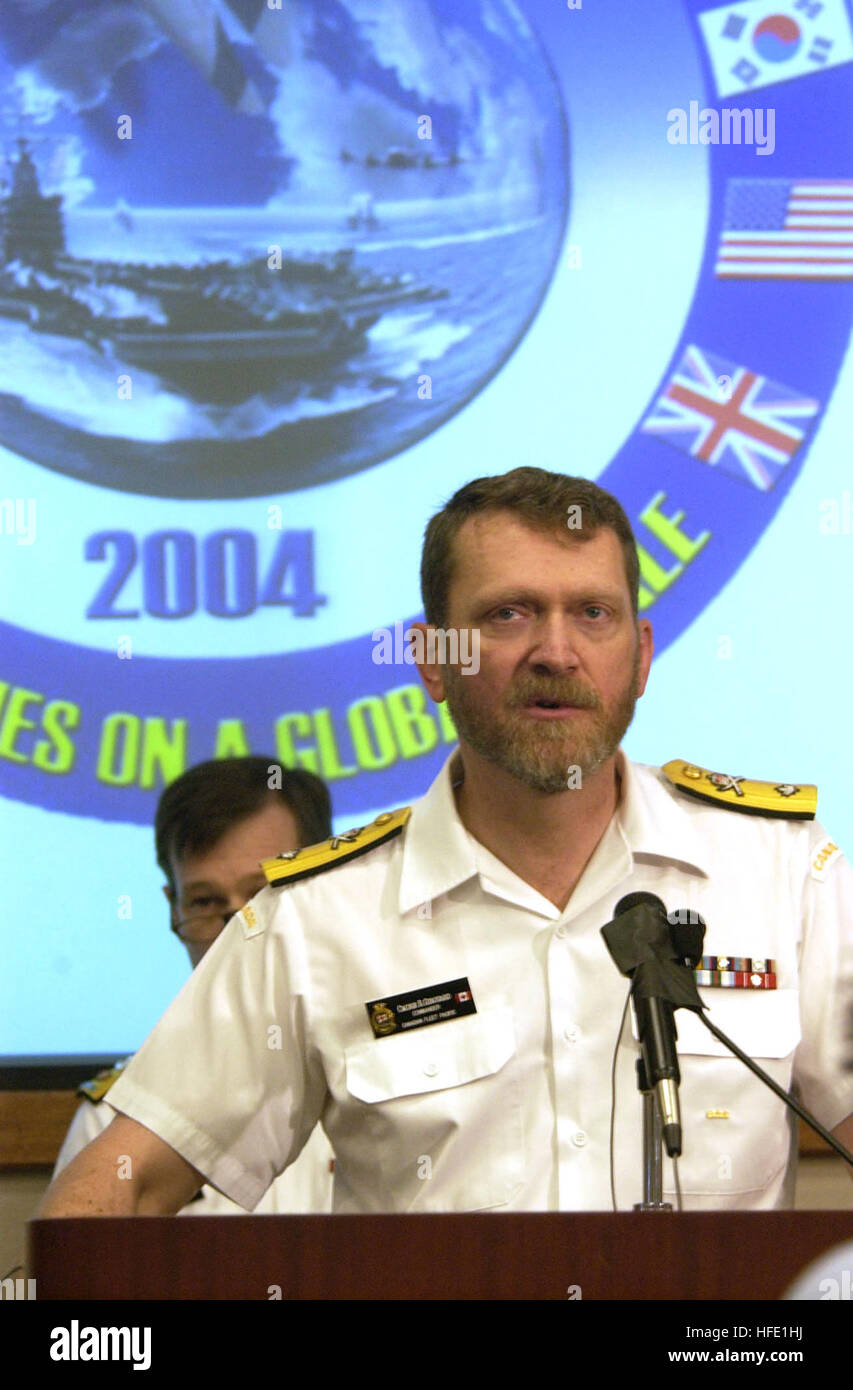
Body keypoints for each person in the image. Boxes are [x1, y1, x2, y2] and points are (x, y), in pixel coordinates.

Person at [40, 468, 853, 1217]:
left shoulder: (779, 872)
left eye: (591, 614)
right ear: (432, 661)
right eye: (508, 614)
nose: (555, 652)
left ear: (639, 657)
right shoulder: (319, 917)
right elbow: (127, 1180)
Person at [52, 756, 336, 1214]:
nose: (237, 933)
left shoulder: (386, 1077)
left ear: (325, 884)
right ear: (173, 909)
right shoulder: (112, 1122)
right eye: (205, 902)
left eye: (263, 895)